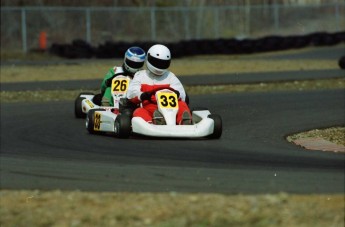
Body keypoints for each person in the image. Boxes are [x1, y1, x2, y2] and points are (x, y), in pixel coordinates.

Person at [127, 44, 192, 125]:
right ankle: (152, 122)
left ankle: (184, 121)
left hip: (171, 109)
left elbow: (182, 94)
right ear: (149, 58)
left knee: (182, 105)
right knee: (139, 111)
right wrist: (141, 95)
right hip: (150, 107)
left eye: (162, 63)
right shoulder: (140, 76)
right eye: (156, 62)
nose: (159, 65)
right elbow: (131, 93)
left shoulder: (170, 76)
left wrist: (177, 94)